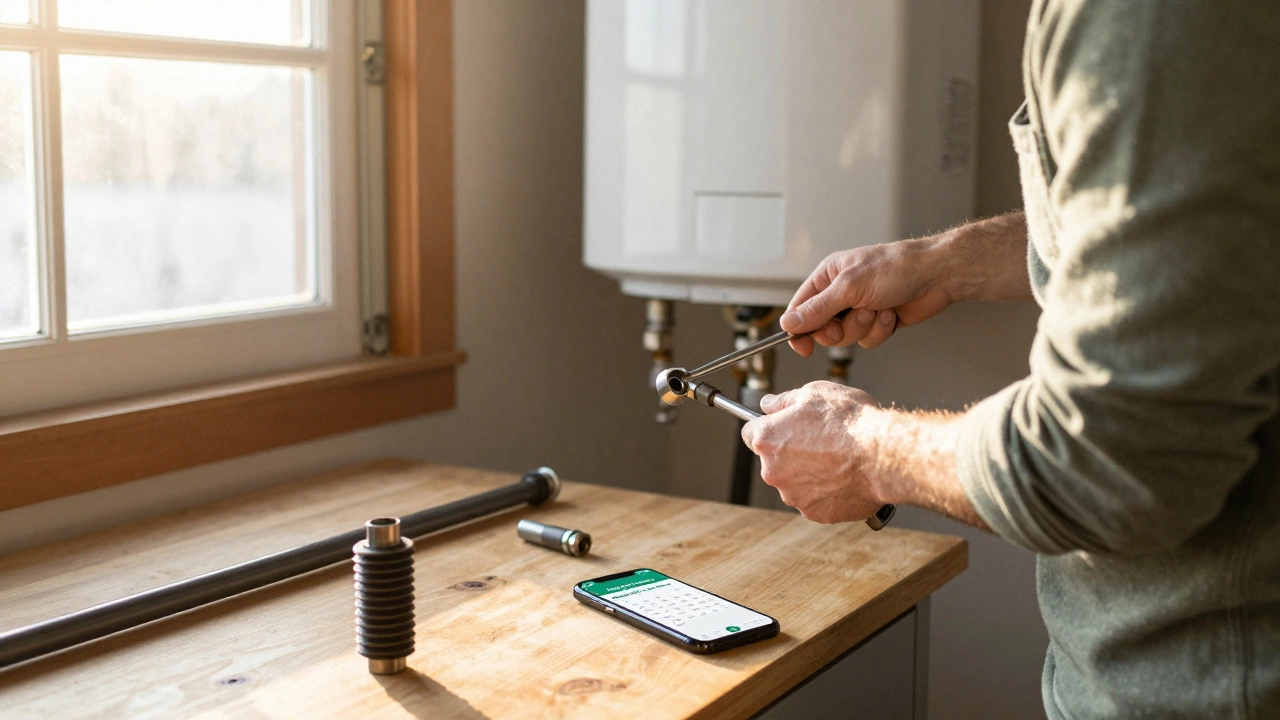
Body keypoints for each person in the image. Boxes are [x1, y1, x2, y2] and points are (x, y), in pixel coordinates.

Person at [740, 1, 1280, 717]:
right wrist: (944, 263)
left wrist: (864, 451)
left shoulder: (1145, 17)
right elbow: (1196, 225)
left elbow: (1108, 458)